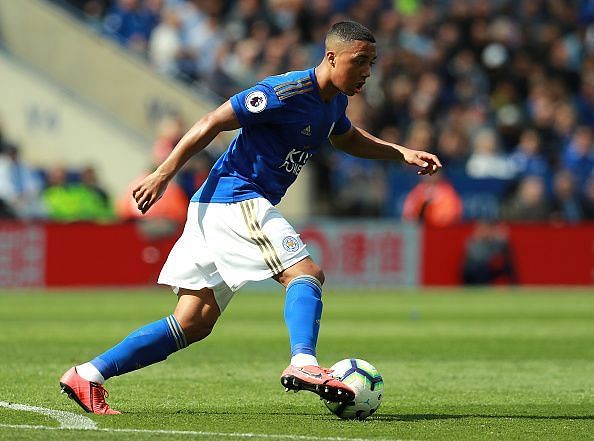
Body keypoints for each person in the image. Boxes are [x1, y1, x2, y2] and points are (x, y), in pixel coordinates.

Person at [59, 21, 442, 415]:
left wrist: (400, 152)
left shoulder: (334, 102)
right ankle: (304, 363)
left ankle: (88, 374)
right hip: (236, 198)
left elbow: (346, 137)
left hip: (215, 208)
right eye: (359, 61)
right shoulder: (285, 91)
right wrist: (163, 172)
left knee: (193, 321)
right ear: (331, 57)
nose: (366, 72)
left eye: (372, 63)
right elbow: (212, 121)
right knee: (305, 273)